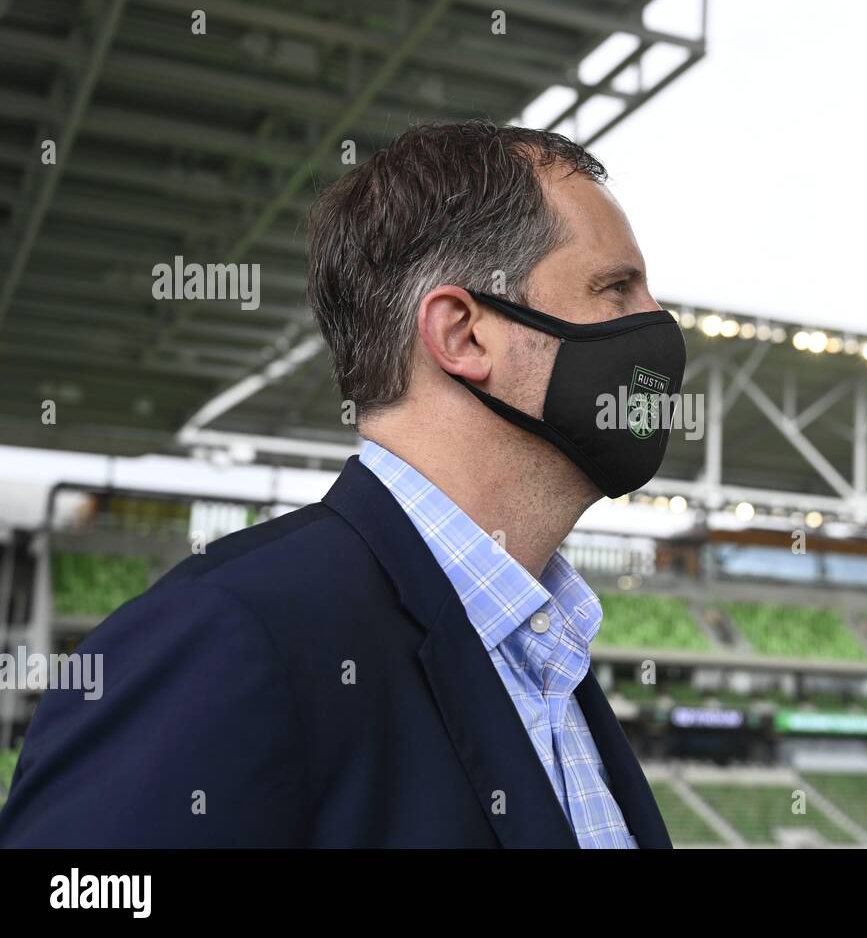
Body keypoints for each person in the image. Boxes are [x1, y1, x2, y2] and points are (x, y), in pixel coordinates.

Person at [0, 121, 685, 847]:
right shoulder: (221, 639)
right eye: (615, 288)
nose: (658, 324)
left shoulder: (552, 655)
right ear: (462, 334)